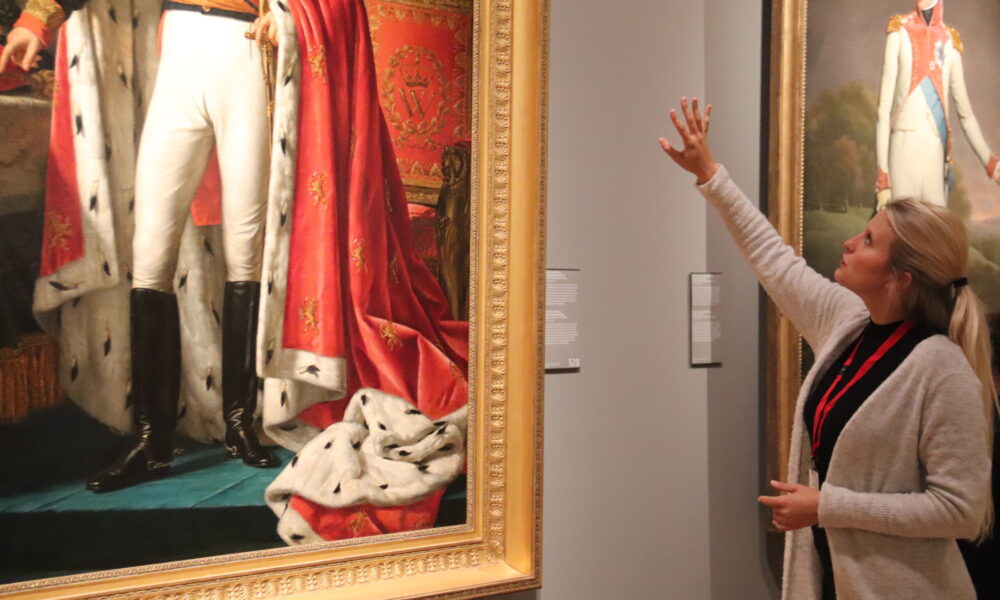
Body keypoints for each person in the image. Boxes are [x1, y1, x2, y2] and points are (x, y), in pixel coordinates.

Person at [2, 0, 467, 539]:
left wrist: (288, 13)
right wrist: (35, 20)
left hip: (245, 51)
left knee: (246, 251)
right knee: (150, 254)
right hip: (177, 52)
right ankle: (152, 440)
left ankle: (239, 422)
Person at [660, 97, 994, 599]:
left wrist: (826, 507)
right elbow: (775, 261)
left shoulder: (943, 370)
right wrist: (709, 173)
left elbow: (961, 511)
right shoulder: (848, 322)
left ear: (900, 278)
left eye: (868, 241)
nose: (849, 244)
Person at [874, 0, 1000, 209]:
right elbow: (883, 112)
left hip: (935, 153)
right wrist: (882, 180)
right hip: (903, 149)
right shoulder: (899, 31)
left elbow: (965, 113)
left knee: (935, 235)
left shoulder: (950, 40)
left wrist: (990, 162)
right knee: (902, 232)